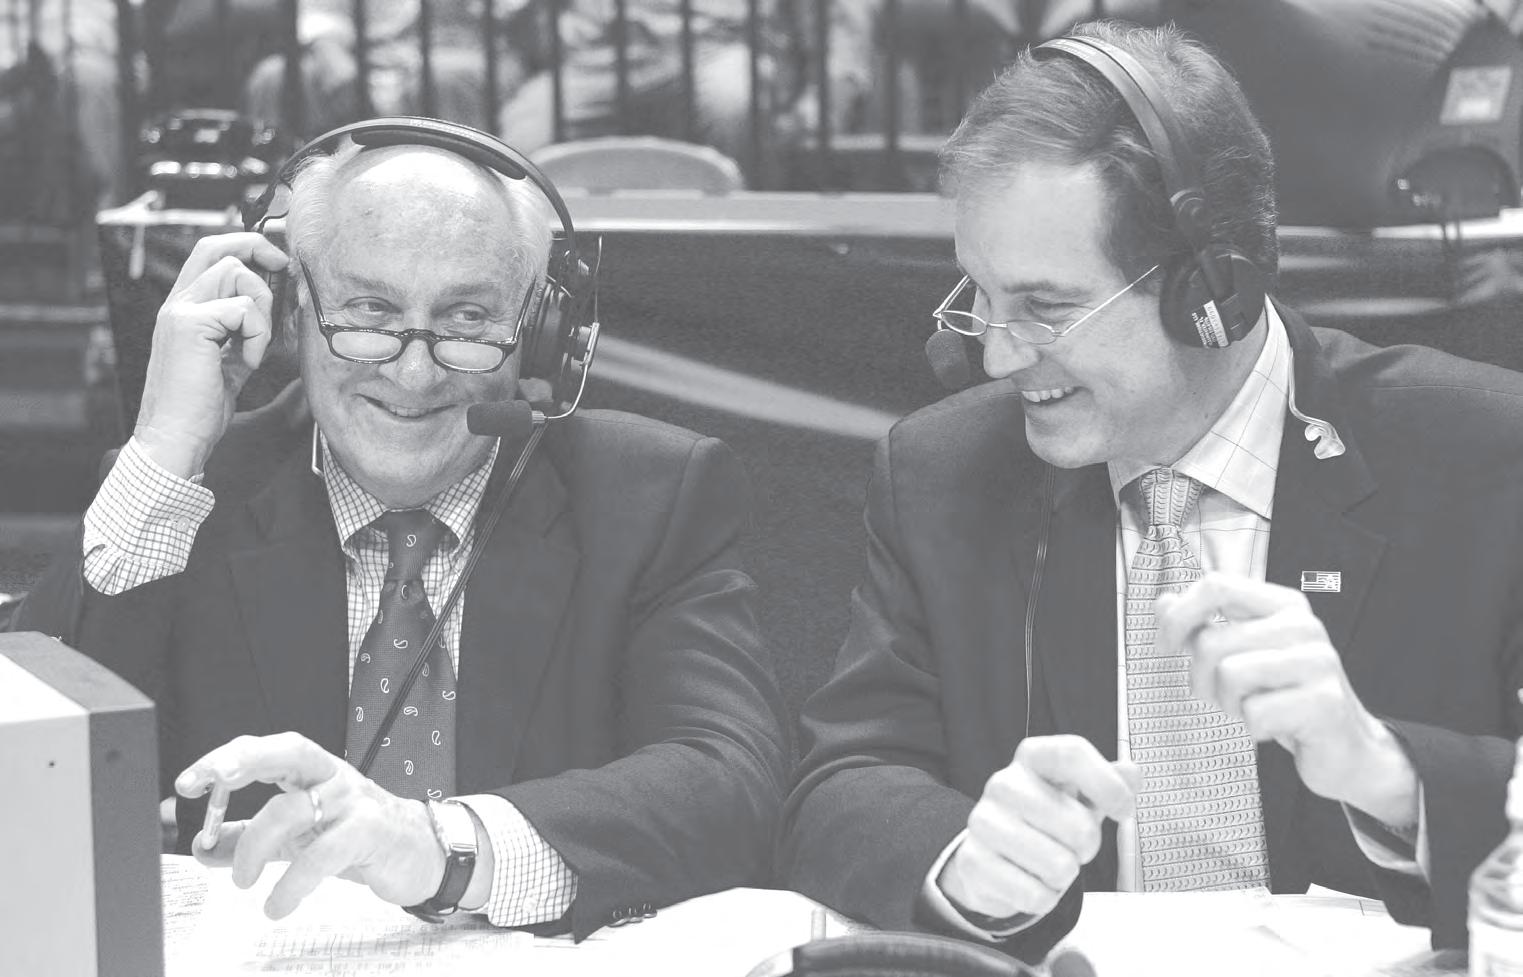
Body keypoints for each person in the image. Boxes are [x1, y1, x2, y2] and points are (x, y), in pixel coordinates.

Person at [777, 19, 1523, 962]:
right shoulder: (943, 472)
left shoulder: (1483, 456)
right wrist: (965, 859)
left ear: (1210, 290)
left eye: (1044, 308)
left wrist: (1392, 777)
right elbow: (838, 783)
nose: (994, 356)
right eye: (979, 297)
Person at [14, 119, 789, 938]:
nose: (413, 372)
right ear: (292, 309)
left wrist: (435, 846)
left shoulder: (650, 495)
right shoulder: (189, 490)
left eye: (466, 318)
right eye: (370, 310)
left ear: (540, 335)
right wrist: (165, 445)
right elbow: (32, 774)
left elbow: (732, 782)